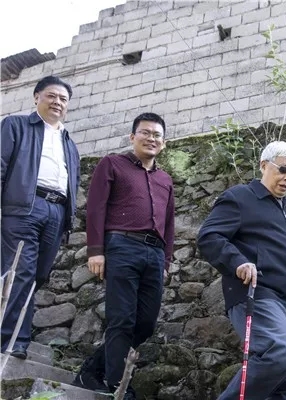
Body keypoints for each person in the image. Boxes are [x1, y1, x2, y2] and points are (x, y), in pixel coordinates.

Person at [196, 141, 286, 400]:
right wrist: (237, 262)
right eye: (283, 169)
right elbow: (209, 237)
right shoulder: (240, 197)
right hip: (259, 294)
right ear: (264, 165)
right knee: (281, 352)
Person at [72, 113, 175, 400]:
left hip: (155, 253)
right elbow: (96, 208)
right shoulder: (112, 164)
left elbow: (169, 223)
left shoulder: (165, 179)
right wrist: (96, 251)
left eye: (157, 135)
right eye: (145, 133)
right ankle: (117, 386)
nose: (151, 138)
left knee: (146, 323)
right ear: (132, 137)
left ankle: (92, 369)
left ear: (163, 142)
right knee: (122, 318)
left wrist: (166, 261)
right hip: (121, 246)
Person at [1, 76, 80, 359]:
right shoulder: (15, 125)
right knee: (20, 271)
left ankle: (12, 332)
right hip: (24, 206)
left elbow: (73, 182)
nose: (57, 102)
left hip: (56, 212)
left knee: (37, 275)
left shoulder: (70, 143)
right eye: (51, 96)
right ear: (37, 97)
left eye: (63, 99)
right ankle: (13, 341)